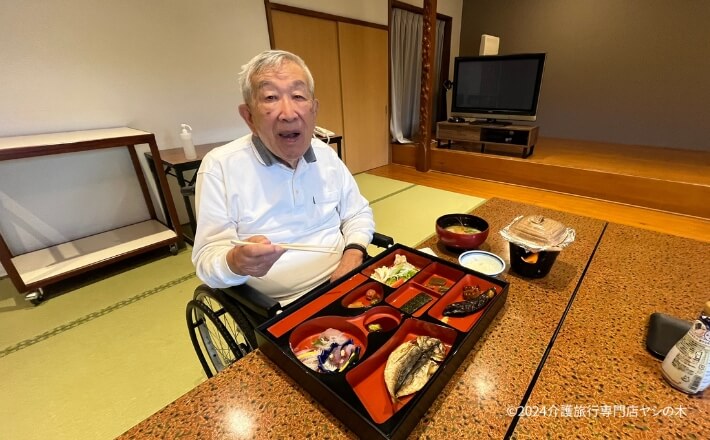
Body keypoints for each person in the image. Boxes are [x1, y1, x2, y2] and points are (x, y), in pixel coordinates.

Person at [191, 50, 375, 305]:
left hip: (346, 280)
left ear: (314, 110)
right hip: (280, 307)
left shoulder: (326, 155)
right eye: (270, 97)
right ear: (249, 117)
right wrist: (235, 262)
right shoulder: (219, 166)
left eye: (298, 96)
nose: (288, 113)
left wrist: (354, 251)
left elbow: (357, 213)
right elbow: (207, 259)